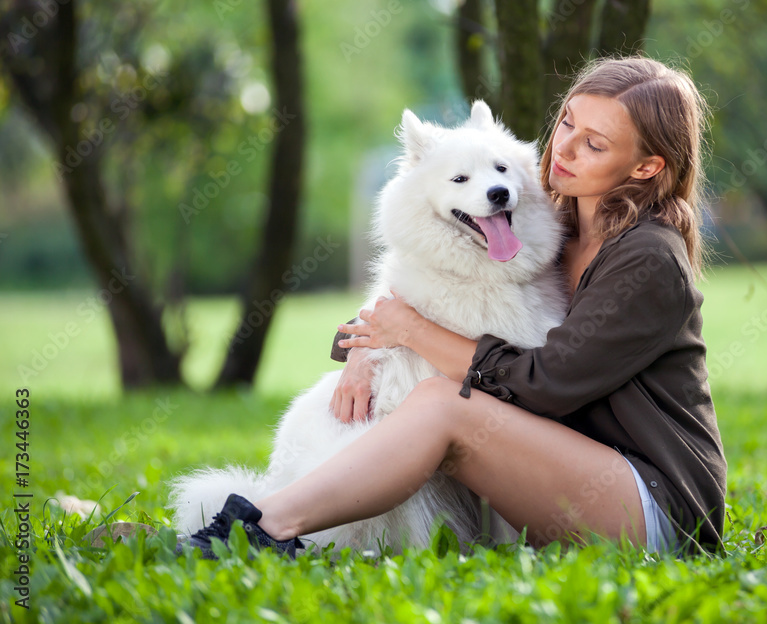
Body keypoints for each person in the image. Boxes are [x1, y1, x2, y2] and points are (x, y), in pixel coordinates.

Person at [178, 56, 727, 559]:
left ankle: (261, 528)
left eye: (595, 144)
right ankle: (274, 518)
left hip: (655, 508)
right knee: (438, 399)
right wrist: (366, 349)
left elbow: (545, 384)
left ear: (647, 167)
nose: (563, 149)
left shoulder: (648, 259)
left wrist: (411, 331)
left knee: (445, 404)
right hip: (571, 475)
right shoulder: (549, 228)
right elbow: (430, 293)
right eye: (566, 124)